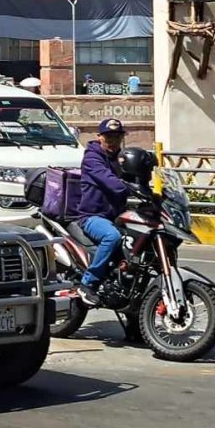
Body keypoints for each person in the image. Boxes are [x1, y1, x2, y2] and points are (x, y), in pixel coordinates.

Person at [76, 118, 131, 306]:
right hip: (92, 216)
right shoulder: (92, 158)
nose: (113, 141)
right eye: (108, 136)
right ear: (99, 137)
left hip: (117, 216)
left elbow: (136, 176)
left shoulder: (122, 158)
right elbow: (110, 182)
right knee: (111, 237)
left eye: (117, 136)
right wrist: (128, 187)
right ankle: (88, 283)